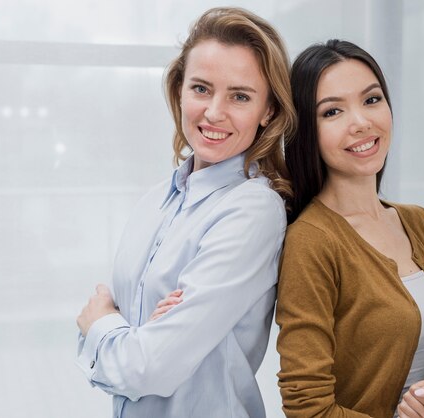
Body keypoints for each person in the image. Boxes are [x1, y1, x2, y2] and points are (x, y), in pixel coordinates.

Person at [76, 7, 295, 417]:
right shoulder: (156, 201)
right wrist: (129, 336)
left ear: (268, 111)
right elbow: (130, 352)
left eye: (240, 96)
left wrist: (104, 327)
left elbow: (145, 366)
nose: (214, 112)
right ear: (179, 90)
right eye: (201, 88)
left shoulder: (252, 210)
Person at [275, 39, 424, 418]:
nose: (361, 122)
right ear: (307, 130)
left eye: (371, 100)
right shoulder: (311, 242)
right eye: (333, 111)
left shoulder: (417, 221)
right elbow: (307, 407)